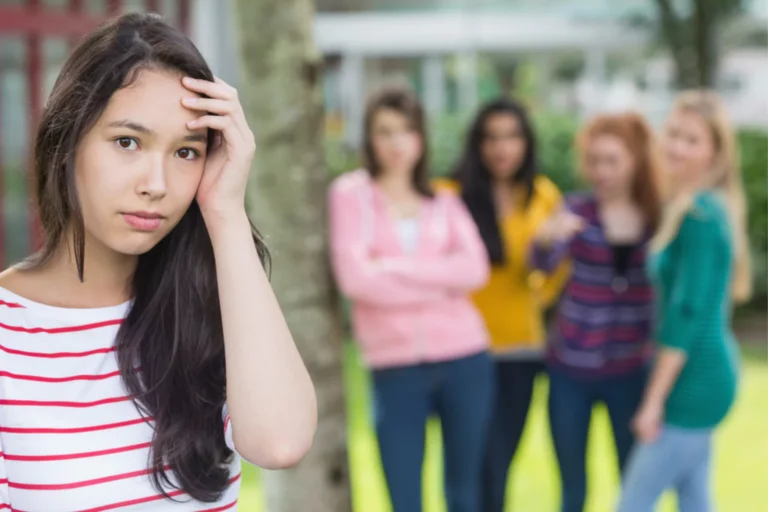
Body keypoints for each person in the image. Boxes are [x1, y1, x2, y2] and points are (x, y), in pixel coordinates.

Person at [0, 13, 316, 510]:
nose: (158, 183)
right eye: (128, 142)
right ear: (67, 143)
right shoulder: (9, 334)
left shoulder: (210, 306)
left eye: (186, 152)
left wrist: (226, 212)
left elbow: (280, 443)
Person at [328, 86, 493, 512]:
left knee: (465, 493)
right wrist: (440, 279)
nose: (397, 142)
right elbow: (356, 280)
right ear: (369, 139)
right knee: (404, 499)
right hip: (395, 367)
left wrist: (393, 267)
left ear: (421, 137)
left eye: (407, 130)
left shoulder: (444, 199)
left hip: (465, 360)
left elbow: (475, 270)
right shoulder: (351, 195)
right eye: (385, 131)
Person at [617, 92, 751, 512]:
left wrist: (654, 400)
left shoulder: (700, 217)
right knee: (694, 499)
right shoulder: (689, 207)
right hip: (704, 373)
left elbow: (686, 316)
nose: (676, 146)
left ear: (714, 151)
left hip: (695, 381)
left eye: (691, 140)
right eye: (673, 133)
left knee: (633, 503)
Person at [435, 98, 568, 512]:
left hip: (521, 353)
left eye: (512, 136)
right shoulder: (448, 195)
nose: (502, 147)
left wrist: (540, 287)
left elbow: (557, 271)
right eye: (491, 137)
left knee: (498, 471)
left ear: (526, 143)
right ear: (477, 144)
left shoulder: (543, 195)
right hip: (462, 353)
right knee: (465, 475)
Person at [530, 113, 663, 512]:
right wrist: (545, 239)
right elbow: (542, 265)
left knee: (634, 485)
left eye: (612, 160)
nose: (601, 171)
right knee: (573, 490)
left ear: (636, 160)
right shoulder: (575, 210)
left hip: (631, 371)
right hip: (571, 369)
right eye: (594, 160)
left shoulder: (658, 216)